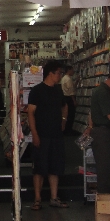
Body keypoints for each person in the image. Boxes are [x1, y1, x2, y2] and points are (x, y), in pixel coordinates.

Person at [26, 60, 69, 210]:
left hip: (56, 134)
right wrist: (35, 133)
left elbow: (65, 106)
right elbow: (30, 113)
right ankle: (37, 199)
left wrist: (63, 120)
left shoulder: (58, 90)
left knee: (55, 167)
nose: (60, 76)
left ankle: (54, 197)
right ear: (50, 73)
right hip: (42, 134)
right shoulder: (37, 91)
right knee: (39, 167)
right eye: (58, 73)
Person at [84, 75, 110, 194]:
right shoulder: (103, 92)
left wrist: (90, 126)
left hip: (98, 132)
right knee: (105, 166)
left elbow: (91, 112)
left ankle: (104, 195)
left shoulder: (99, 90)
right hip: (103, 133)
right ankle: (105, 196)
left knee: (103, 166)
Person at [60, 65, 77, 136]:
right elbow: (71, 91)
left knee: (66, 114)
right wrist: (74, 101)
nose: (73, 71)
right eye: (72, 70)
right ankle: (68, 130)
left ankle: (65, 130)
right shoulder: (68, 79)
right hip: (69, 98)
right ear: (69, 70)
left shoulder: (64, 78)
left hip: (65, 97)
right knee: (70, 115)